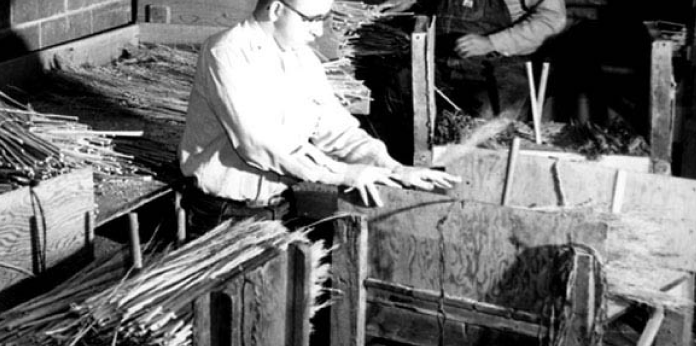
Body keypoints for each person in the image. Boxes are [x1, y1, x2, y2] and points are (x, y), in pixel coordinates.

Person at [178, 0, 463, 231]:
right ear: (276, 9)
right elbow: (259, 145)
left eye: (323, 20)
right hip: (223, 215)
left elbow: (338, 130)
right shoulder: (227, 51)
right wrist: (344, 173)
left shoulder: (303, 60)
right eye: (311, 19)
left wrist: (391, 167)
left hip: (280, 206)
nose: (318, 31)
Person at [381, 0, 567, 118]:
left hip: (499, 64)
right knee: (400, 88)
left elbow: (551, 20)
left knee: (486, 122)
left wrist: (492, 42)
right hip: (441, 56)